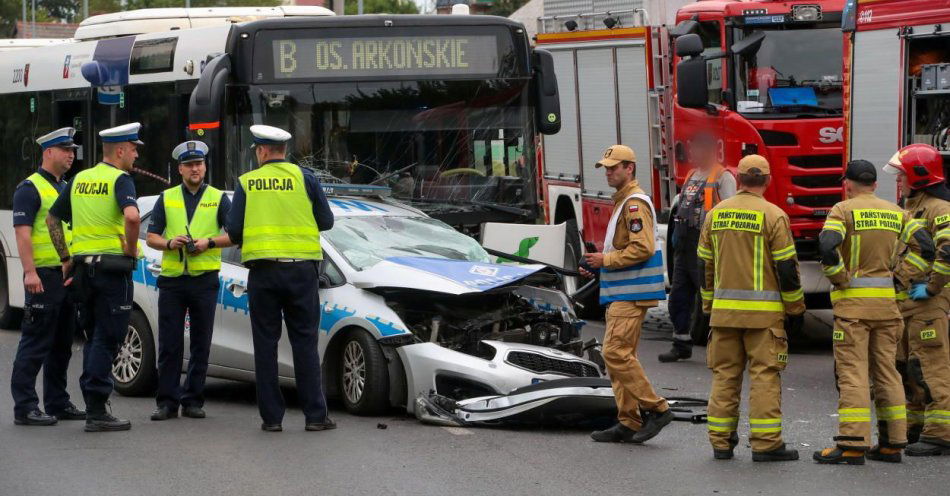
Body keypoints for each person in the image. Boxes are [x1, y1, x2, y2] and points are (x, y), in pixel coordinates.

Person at [813, 159, 934, 465]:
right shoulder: (898, 213)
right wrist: (902, 278)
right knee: (888, 372)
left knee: (853, 372)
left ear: (847, 184)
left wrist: (840, 278)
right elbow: (927, 249)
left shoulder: (843, 210)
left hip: (853, 307)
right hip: (887, 307)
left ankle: (853, 443)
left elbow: (827, 247)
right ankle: (893, 443)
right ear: (875, 185)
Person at [226, 125, 336, 432]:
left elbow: (234, 230)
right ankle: (315, 416)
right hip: (302, 273)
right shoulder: (306, 178)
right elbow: (326, 221)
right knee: (305, 343)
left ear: (261, 151)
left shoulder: (247, 182)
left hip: (263, 274)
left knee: (265, 344)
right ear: (284, 151)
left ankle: (272, 419)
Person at [698, 154, 804, 462]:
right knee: (764, 377)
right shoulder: (774, 216)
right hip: (764, 317)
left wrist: (709, 304)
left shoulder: (716, 214)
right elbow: (787, 269)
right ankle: (766, 443)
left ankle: (720, 442)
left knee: (724, 376)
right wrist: (795, 308)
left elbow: (705, 264)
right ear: (768, 181)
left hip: (724, 315)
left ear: (739, 180)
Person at [47, 122, 143, 432]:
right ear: (119, 150)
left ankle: (92, 403)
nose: (136, 153)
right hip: (111, 272)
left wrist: (64, 257)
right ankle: (97, 409)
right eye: (133, 148)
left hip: (81, 271)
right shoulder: (121, 179)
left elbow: (52, 218)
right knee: (109, 336)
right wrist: (130, 249)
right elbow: (132, 216)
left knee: (93, 337)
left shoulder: (79, 179)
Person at [581, 144, 673, 444]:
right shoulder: (624, 201)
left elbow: (642, 248)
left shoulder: (634, 203)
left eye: (614, 167)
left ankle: (656, 409)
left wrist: (605, 261)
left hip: (630, 294)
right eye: (606, 168)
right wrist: (599, 266)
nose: (608, 172)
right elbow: (623, 249)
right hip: (621, 291)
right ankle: (628, 421)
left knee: (614, 353)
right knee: (620, 356)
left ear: (629, 168)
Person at [147, 141, 233, 421]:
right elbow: (152, 237)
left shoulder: (219, 198)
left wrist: (208, 242)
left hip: (204, 280)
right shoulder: (167, 197)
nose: (195, 169)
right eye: (189, 165)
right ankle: (167, 402)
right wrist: (171, 243)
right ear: (180, 169)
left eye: (199, 164)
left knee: (201, 342)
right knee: (170, 343)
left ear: (205, 167)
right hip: (172, 280)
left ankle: (193, 399)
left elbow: (234, 234)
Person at [9, 127, 85, 426]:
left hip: (64, 274)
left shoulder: (63, 187)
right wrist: (29, 271)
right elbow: (22, 233)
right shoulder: (29, 188)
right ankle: (25, 407)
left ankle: (57, 401)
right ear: (48, 152)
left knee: (62, 344)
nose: (71, 155)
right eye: (65, 150)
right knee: (35, 342)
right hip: (42, 275)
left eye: (72, 150)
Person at [884, 144, 950, 457]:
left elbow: (948, 251)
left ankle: (941, 434)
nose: (899, 182)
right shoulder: (912, 209)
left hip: (929, 305)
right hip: (908, 306)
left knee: (931, 368)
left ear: (919, 176)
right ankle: (916, 427)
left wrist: (933, 288)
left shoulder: (939, 209)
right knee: (910, 368)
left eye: (902, 176)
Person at [660, 132, 736, 362]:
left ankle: (721, 349)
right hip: (684, 247)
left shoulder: (723, 176)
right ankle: (681, 343)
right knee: (678, 298)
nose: (691, 153)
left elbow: (730, 212)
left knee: (709, 299)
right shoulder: (693, 174)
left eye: (696, 148)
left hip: (706, 247)